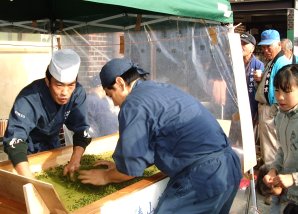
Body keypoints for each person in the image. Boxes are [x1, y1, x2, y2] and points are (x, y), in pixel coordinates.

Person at [78, 58, 242, 213]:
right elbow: (159, 140)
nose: (113, 103)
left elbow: (130, 168)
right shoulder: (160, 89)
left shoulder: (133, 104)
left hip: (203, 176)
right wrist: (119, 166)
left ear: (120, 83)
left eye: (110, 95)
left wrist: (106, 176)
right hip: (229, 166)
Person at [3, 49, 92, 179]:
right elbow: (14, 140)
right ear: (47, 81)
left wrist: (75, 160)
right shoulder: (28, 98)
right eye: (59, 85)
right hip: (27, 150)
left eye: (71, 85)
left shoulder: (77, 93)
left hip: (53, 145)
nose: (65, 93)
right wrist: (30, 180)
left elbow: (81, 130)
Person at [262, 64, 298, 213]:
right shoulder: (281, 115)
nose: (280, 97)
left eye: (287, 91)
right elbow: (282, 149)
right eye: (277, 90)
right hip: (287, 194)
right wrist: (274, 170)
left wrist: (293, 178)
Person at [255, 29, 291, 166]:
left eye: (268, 46)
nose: (265, 50)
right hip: (267, 108)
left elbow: (285, 90)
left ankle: (272, 178)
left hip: (272, 109)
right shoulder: (273, 61)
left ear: (278, 45)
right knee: (268, 147)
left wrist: (276, 110)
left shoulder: (281, 62)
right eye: (263, 47)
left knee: (271, 148)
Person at [240, 32, 264, 126]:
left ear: (252, 48)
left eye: (244, 44)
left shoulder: (258, 65)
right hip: (235, 105)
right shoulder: (232, 63)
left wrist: (259, 80)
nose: (241, 46)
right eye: (240, 43)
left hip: (251, 107)